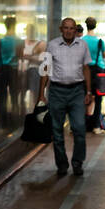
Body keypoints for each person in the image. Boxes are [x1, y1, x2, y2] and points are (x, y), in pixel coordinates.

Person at [37, 17, 93, 177]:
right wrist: (41, 94)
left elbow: (86, 68)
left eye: (72, 28)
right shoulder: (52, 45)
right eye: (66, 28)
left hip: (77, 92)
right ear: (61, 29)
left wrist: (88, 92)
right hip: (57, 92)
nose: (69, 31)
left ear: (76, 30)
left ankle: (77, 163)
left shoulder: (83, 45)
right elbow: (45, 69)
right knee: (57, 130)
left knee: (79, 128)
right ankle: (62, 164)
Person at [0, 16, 22, 127]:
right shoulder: (19, 41)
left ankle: (3, 121)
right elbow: (20, 55)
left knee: (2, 96)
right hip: (13, 70)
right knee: (14, 95)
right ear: (14, 26)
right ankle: (15, 120)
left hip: (2, 69)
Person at [81, 16, 105, 134]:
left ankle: (80, 125)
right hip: (98, 71)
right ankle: (96, 126)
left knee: (83, 97)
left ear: (86, 25)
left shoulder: (81, 40)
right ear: (95, 26)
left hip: (85, 70)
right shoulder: (99, 41)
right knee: (98, 99)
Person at [22, 26, 45, 111]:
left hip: (34, 70)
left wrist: (29, 57)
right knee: (22, 93)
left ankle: (34, 110)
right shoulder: (22, 43)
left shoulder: (40, 44)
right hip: (23, 71)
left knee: (34, 93)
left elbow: (42, 59)